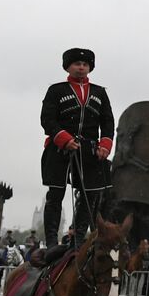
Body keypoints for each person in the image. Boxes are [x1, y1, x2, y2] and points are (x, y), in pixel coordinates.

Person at [40, 48, 116, 249]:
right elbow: (47, 119)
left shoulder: (100, 92)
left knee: (90, 195)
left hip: (90, 151)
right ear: (68, 66)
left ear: (90, 67)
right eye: (77, 64)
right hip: (60, 149)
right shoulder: (56, 90)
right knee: (55, 194)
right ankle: (50, 243)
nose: (81, 67)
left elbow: (107, 121)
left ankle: (79, 240)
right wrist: (63, 138)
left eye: (85, 64)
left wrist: (105, 145)